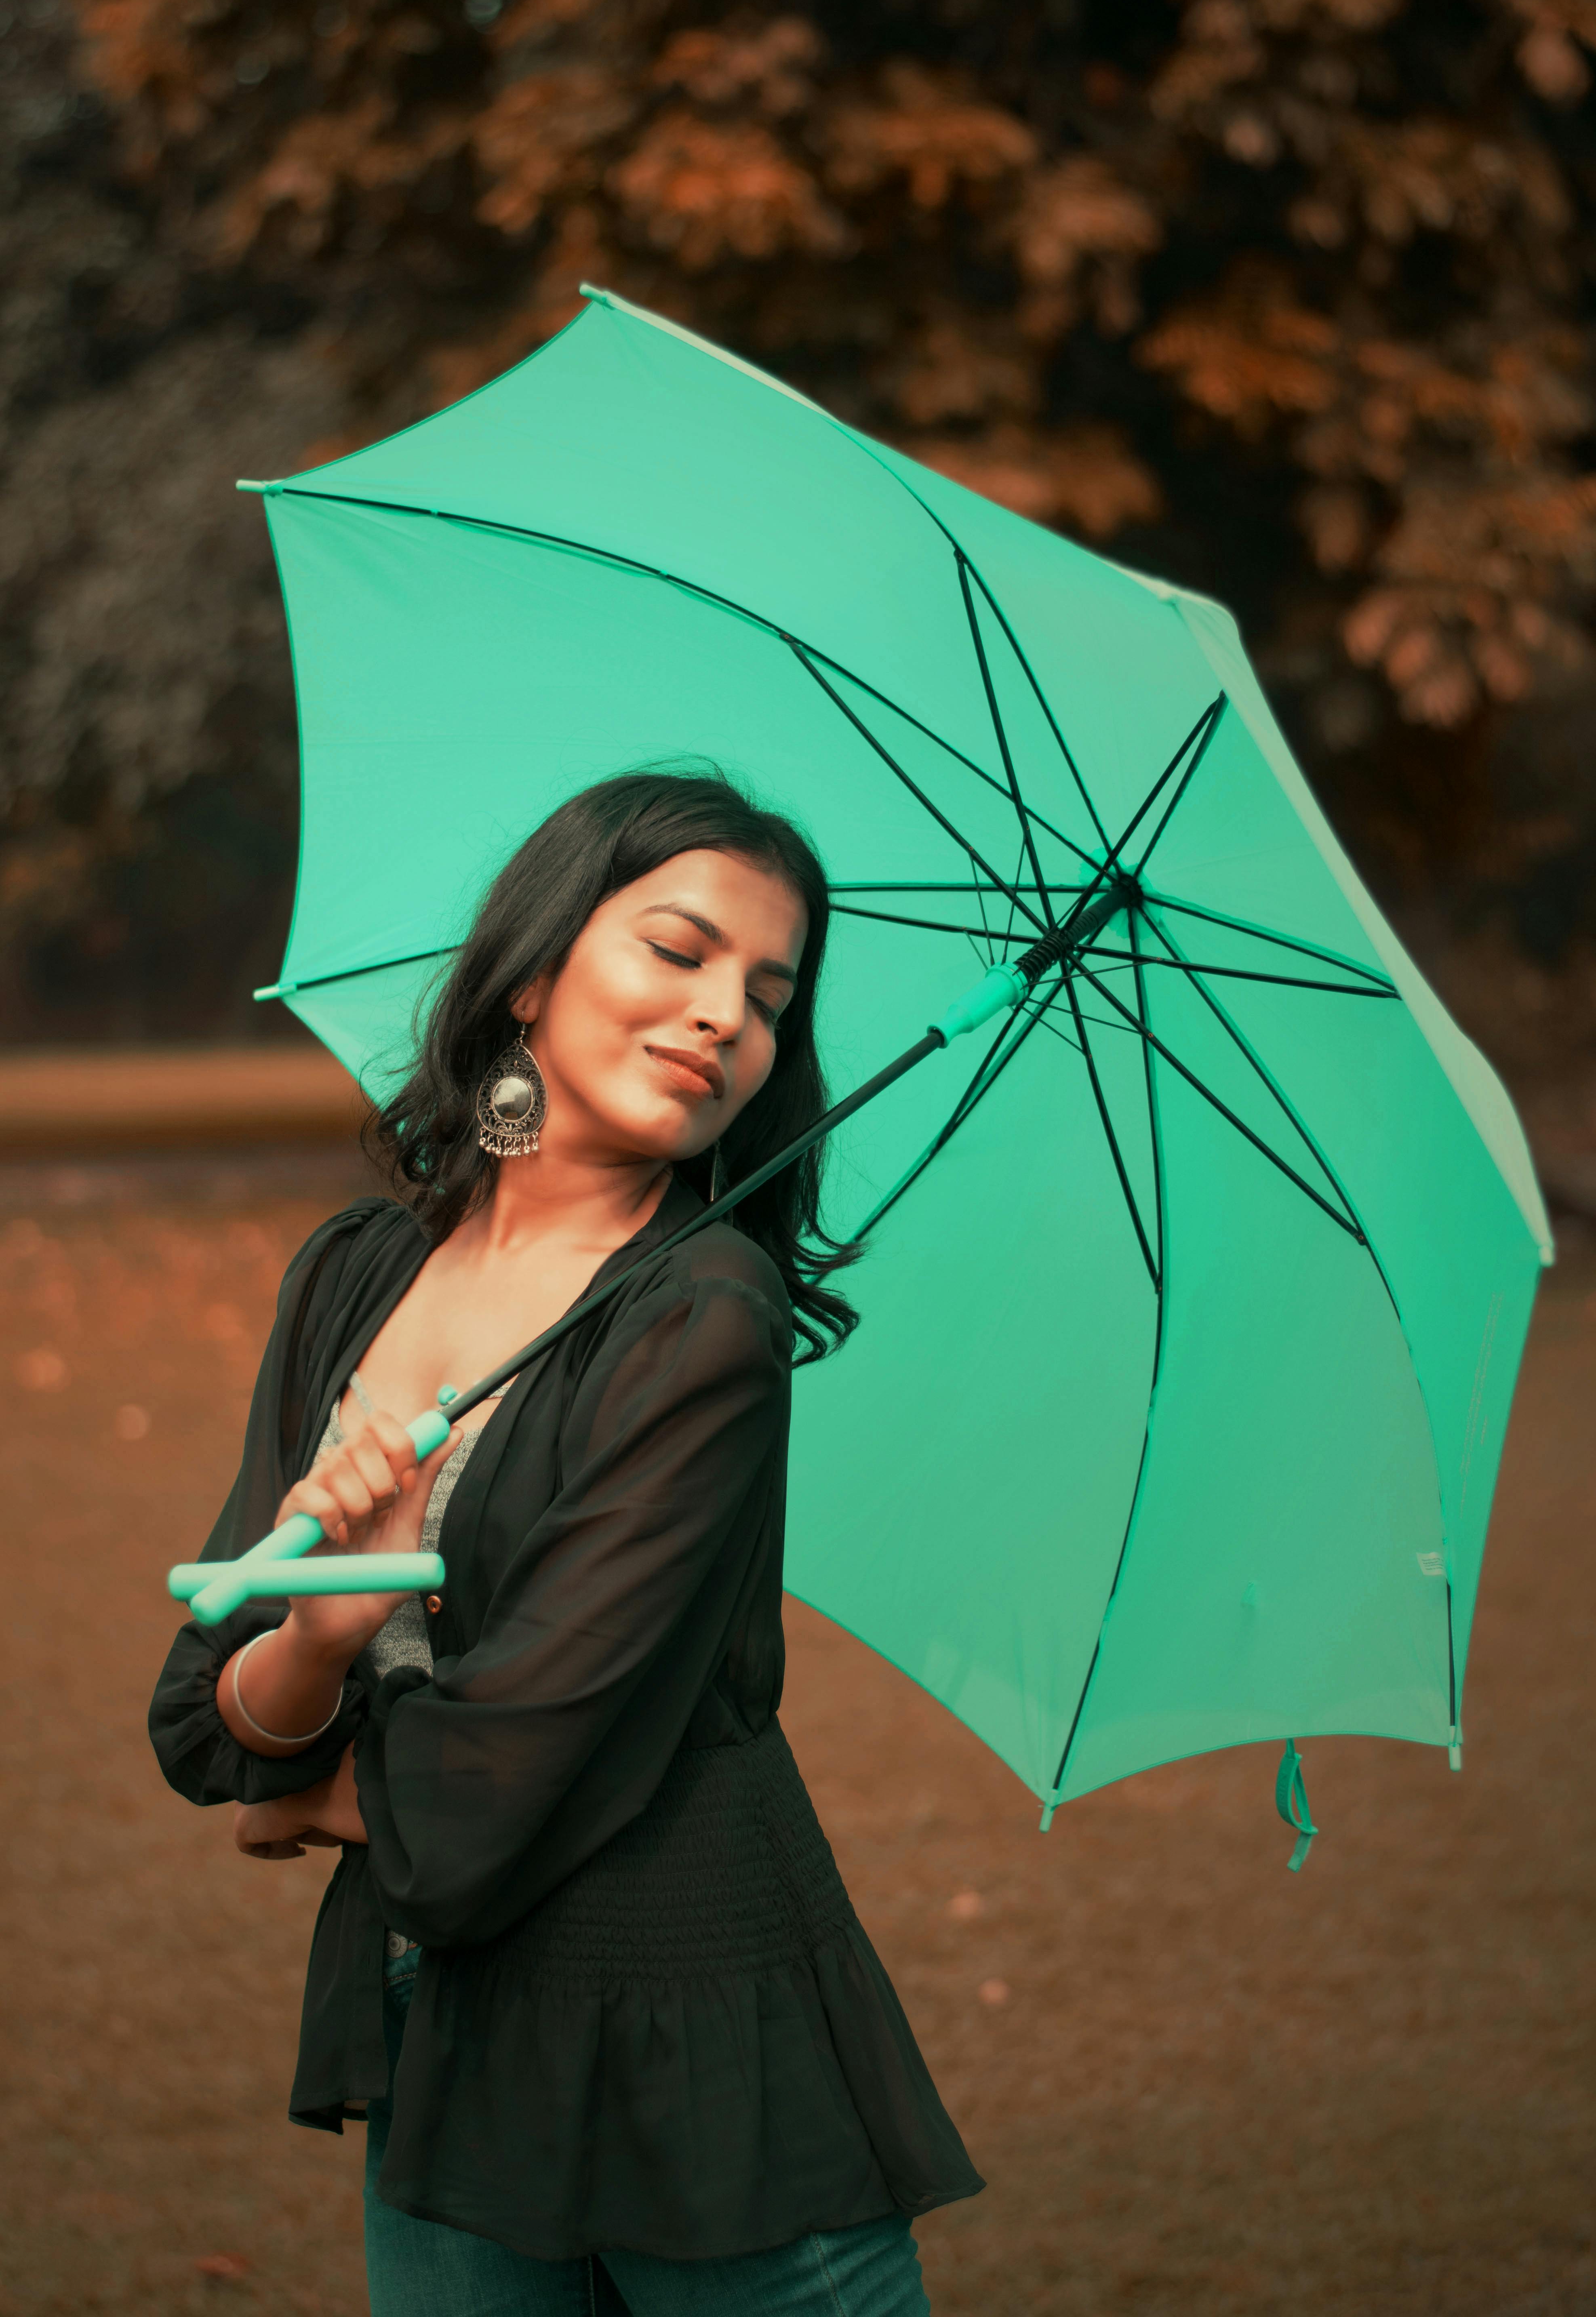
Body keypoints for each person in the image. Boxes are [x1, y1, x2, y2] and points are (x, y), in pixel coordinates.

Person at [149, 771, 982, 2316]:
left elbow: (517, 1757)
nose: (727, 1014)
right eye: (679, 950)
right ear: (533, 975)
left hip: (688, 2026)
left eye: (769, 995)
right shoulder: (355, 1272)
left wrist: (298, 1795)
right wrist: (323, 1640)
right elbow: (203, 1712)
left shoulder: (703, 1319)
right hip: (437, 2026)